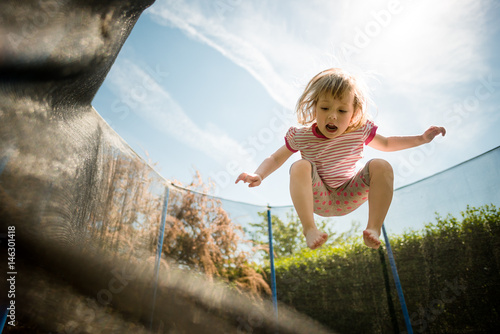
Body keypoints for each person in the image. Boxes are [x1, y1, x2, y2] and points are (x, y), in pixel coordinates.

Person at [235, 68, 446, 250]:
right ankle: (309, 229)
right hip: (319, 197)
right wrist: (258, 174)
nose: (332, 116)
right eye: (325, 108)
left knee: (381, 164)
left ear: (354, 114)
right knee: (300, 165)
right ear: (314, 108)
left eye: (342, 110)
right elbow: (275, 158)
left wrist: (421, 139)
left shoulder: (359, 130)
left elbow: (388, 144)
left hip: (349, 194)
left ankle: (373, 228)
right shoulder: (302, 136)